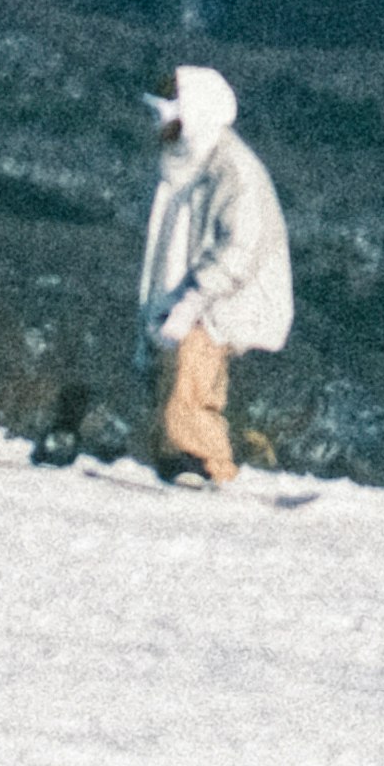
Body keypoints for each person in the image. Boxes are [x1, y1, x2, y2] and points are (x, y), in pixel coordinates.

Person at [137, 62, 293, 486]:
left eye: (166, 114)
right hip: (195, 290)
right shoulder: (188, 162)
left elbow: (242, 246)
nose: (158, 125)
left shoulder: (233, 170)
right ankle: (177, 457)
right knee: (174, 373)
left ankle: (207, 463)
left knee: (194, 372)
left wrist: (195, 299)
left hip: (229, 295)